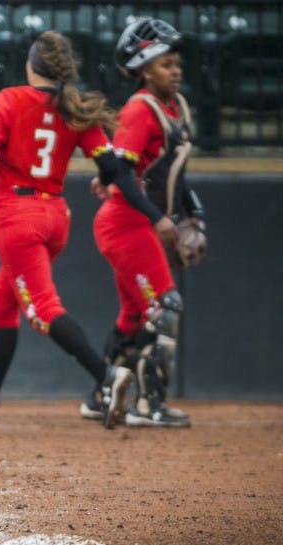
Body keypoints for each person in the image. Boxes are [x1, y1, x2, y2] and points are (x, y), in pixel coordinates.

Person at [0, 30, 155, 431]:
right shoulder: (73, 105)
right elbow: (111, 166)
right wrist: (104, 180)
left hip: (17, 214)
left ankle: (106, 376)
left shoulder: (11, 98)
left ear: (31, 66)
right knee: (2, 303)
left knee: (42, 309)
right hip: (55, 215)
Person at [83, 18, 202, 427]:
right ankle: (149, 407)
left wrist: (193, 215)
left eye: (176, 63)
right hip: (124, 223)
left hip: (138, 223)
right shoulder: (139, 109)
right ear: (145, 69)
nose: (176, 70)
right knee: (165, 306)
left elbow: (173, 172)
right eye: (166, 64)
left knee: (135, 317)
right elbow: (120, 172)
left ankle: (100, 394)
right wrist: (159, 219)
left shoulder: (177, 107)